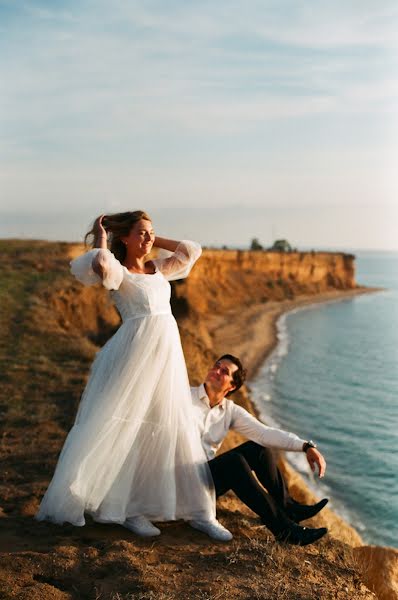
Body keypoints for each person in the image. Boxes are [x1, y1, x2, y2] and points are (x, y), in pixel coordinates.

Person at [36, 210, 219, 537]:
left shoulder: (158, 268)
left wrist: (152, 237)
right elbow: (101, 266)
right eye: (140, 233)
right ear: (124, 238)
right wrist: (103, 236)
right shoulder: (120, 273)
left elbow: (192, 251)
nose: (148, 238)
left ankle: (199, 511)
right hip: (135, 356)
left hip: (167, 357)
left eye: (150, 232)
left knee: (169, 425)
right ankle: (125, 510)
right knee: (130, 428)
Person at [189, 354, 329, 545]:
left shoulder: (230, 411)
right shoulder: (183, 397)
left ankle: (289, 507)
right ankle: (285, 530)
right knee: (234, 462)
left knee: (260, 449)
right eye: (217, 366)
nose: (217, 371)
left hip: (207, 481)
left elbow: (265, 434)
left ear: (232, 386)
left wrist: (306, 446)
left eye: (224, 371)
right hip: (181, 478)